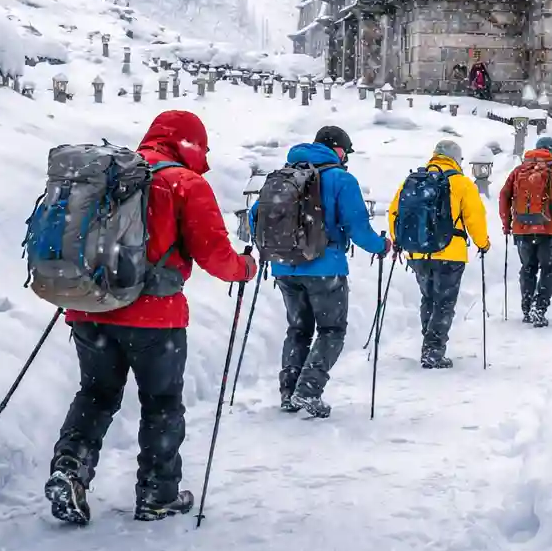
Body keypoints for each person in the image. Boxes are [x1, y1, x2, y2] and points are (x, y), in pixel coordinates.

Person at [46, 110, 257, 526]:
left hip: (91, 307)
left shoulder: (110, 175)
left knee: (96, 394)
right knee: (161, 404)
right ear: (189, 143)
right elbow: (215, 256)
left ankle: (70, 469)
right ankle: (158, 495)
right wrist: (244, 268)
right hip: (154, 318)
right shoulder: (185, 184)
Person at [248, 125, 390, 419]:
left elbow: (254, 218)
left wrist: (277, 251)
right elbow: (357, 227)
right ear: (337, 149)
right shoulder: (340, 179)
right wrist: (379, 246)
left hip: (284, 268)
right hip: (326, 268)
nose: (347, 157)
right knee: (331, 330)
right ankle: (309, 391)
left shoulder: (282, 176)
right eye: (346, 151)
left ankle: (289, 392)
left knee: (298, 330)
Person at [387, 139, 490, 368]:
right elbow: (475, 218)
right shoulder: (461, 183)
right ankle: (433, 350)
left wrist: (399, 242)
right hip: (449, 253)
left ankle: (429, 343)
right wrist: (483, 244)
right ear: (456, 158)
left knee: (429, 299)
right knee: (444, 303)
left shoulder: (414, 181)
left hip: (418, 253)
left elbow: (395, 212)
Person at [498, 136, 552, 326]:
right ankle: (539, 307)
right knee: (548, 269)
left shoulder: (519, 170)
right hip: (550, 229)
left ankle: (527, 306)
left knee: (528, 268)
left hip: (522, 228)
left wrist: (507, 223)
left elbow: (504, 196)